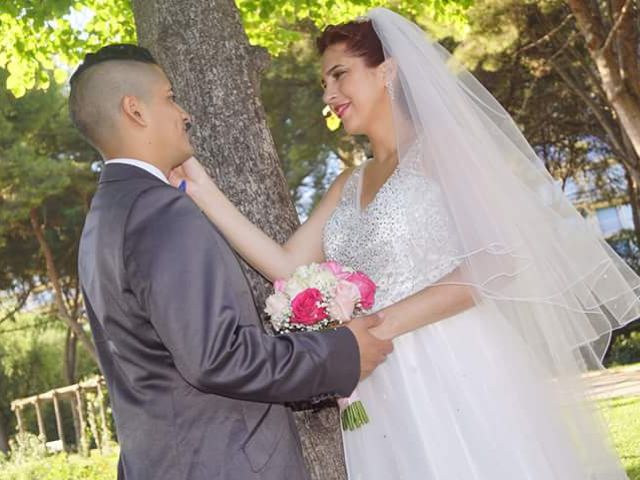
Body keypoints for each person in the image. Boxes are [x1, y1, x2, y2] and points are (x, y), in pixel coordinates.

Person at [171, 8, 640, 479]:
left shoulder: (441, 151)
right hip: (377, 381)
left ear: (388, 70)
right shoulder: (346, 184)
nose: (329, 95)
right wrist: (200, 189)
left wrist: (377, 326)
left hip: (453, 361)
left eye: (339, 75)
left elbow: (496, 262)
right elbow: (285, 262)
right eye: (323, 85)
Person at [72, 43, 393, 480]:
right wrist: (342, 353)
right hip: (225, 462)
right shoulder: (158, 209)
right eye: (169, 97)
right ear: (135, 110)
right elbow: (217, 357)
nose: (183, 113)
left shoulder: (101, 220)